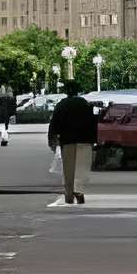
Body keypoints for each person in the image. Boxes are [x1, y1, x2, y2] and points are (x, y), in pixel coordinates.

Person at [48, 77, 99, 205]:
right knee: (81, 169)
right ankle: (79, 191)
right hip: (85, 141)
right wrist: (94, 140)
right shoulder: (86, 104)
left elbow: (54, 123)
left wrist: (52, 139)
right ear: (78, 91)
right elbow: (93, 123)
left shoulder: (62, 105)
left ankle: (69, 194)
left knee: (69, 170)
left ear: (66, 91)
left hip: (68, 141)